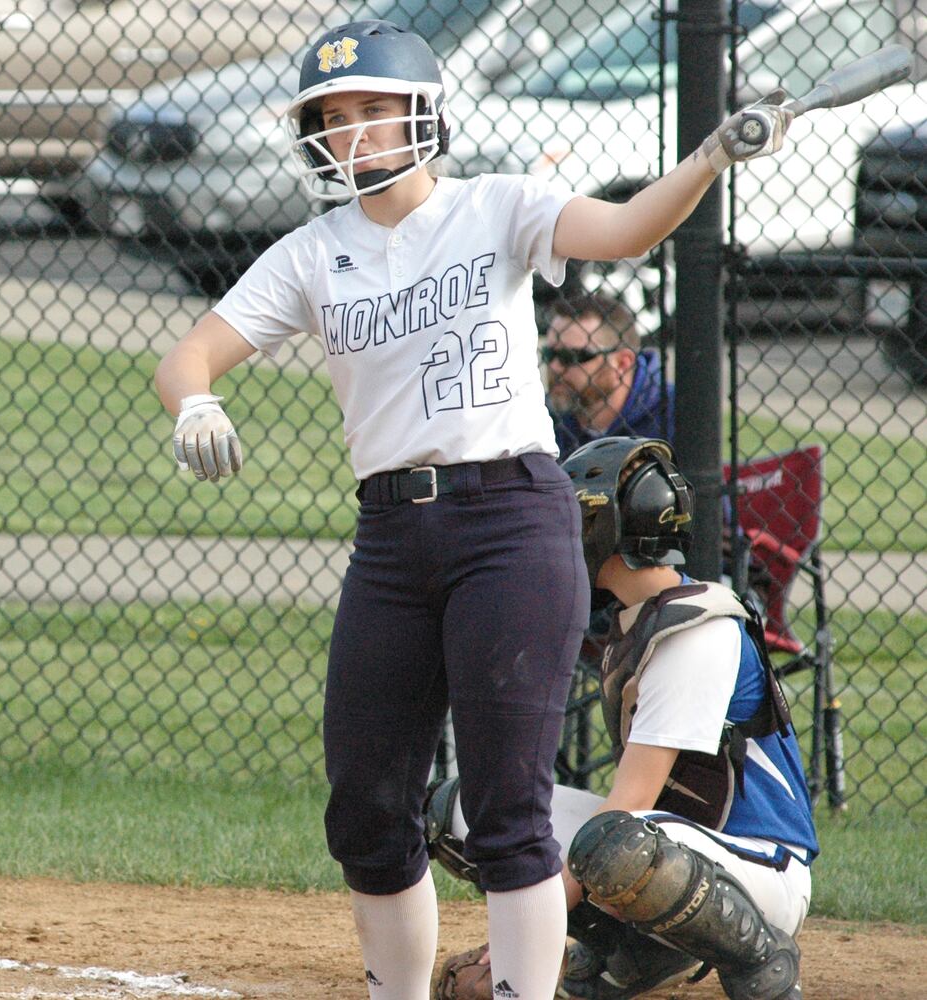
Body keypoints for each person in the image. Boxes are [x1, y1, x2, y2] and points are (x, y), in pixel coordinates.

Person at [155, 16, 793, 1000]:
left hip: (512, 516)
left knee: (508, 807)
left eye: (375, 110)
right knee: (368, 805)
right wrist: (195, 399)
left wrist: (710, 156)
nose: (355, 133)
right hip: (393, 532)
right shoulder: (313, 253)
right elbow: (189, 352)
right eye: (334, 117)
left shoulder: (493, 207)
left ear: (424, 117)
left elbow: (625, 232)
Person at [427, 437, 818, 1000]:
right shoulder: (640, 621)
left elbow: (629, 805)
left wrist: (520, 937)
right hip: (675, 848)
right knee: (466, 812)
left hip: (760, 872)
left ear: (605, 531)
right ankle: (639, 951)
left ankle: (762, 964)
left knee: (609, 843)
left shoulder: (696, 633)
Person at [543, 291, 675, 461]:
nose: (555, 367)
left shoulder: (674, 414)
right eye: (549, 354)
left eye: (571, 357)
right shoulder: (539, 418)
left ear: (622, 363)